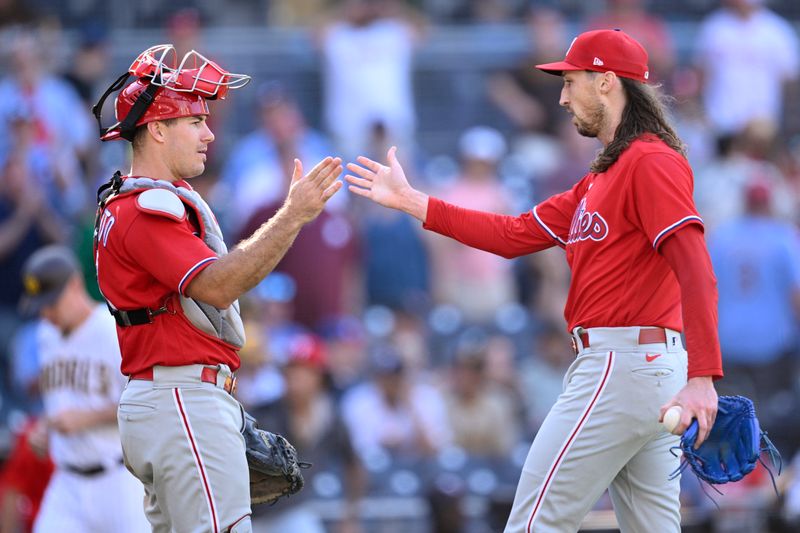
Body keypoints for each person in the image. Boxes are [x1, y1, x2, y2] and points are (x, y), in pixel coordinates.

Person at [346, 29, 722, 532]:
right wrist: (416, 203)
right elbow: (512, 233)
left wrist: (703, 377)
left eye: (570, 80)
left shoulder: (650, 162)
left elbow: (695, 265)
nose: (563, 96)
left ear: (606, 82)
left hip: (624, 364)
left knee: (533, 523)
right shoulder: (601, 178)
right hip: (645, 370)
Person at [91, 44, 342, 532]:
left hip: (168, 398)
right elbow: (216, 286)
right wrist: (293, 216)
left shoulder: (127, 203)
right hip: (182, 399)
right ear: (157, 130)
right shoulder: (147, 208)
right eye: (194, 121)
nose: (209, 134)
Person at [17, 245, 150, 532]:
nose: (47, 312)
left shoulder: (111, 329)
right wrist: (44, 426)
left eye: (52, 303)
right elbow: (63, 402)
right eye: (41, 305)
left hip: (117, 479)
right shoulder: (45, 335)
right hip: (67, 483)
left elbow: (144, 405)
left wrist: (84, 418)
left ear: (76, 284)